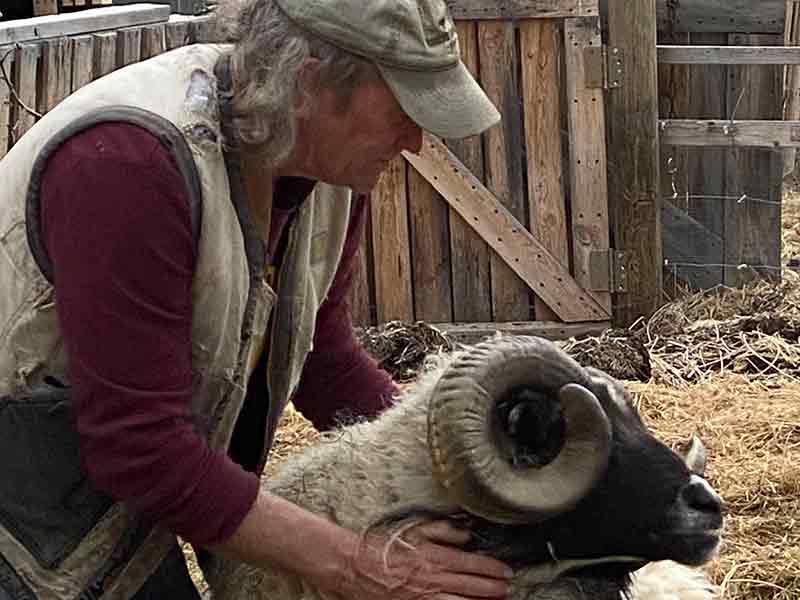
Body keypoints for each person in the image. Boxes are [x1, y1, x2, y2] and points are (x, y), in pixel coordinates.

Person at [0, 0, 511, 598]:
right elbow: (138, 447)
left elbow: (324, 360)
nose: (420, 141)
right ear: (309, 80)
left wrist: (459, 468)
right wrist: (356, 563)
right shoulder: (131, 165)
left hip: (99, 508)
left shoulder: (325, 171)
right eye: (405, 107)